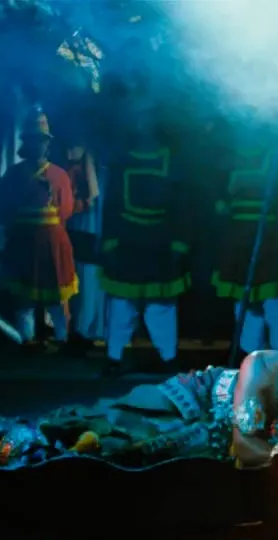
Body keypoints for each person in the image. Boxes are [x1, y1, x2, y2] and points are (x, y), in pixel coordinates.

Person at [0, 349, 278, 468]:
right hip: (193, 399)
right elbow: (246, 447)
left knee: (127, 456)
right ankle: (30, 430)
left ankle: (57, 455)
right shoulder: (265, 366)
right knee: (114, 420)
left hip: (214, 442)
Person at [99, 108, 192, 374]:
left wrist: (179, 242)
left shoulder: (172, 163)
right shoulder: (122, 162)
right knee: (122, 306)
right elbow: (112, 203)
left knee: (161, 307)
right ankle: (114, 357)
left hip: (160, 243)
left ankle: (168, 358)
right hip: (128, 242)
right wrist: (110, 241)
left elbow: (181, 207)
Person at [211, 129, 278, 357]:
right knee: (247, 308)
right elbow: (219, 198)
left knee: (275, 307)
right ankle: (252, 361)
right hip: (238, 241)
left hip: (270, 241)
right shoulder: (229, 159)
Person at [0, 112, 78, 352]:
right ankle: (27, 340)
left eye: (42, 140)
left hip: (53, 242)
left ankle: (62, 339)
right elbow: (4, 206)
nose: (39, 145)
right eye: (34, 140)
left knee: (56, 296)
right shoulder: (14, 174)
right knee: (24, 297)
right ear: (27, 143)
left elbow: (66, 210)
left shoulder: (59, 175)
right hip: (23, 240)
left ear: (47, 144)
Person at [60, 135, 105, 350]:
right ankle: (83, 329)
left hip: (90, 232)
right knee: (82, 283)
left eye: (74, 146)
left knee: (89, 283)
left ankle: (84, 330)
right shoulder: (71, 171)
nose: (70, 151)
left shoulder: (93, 169)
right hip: (80, 231)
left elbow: (93, 196)